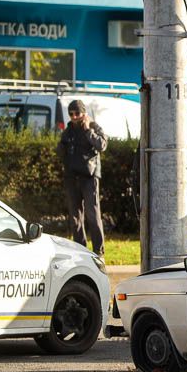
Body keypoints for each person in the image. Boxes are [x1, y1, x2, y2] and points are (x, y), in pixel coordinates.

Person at [57, 99, 108, 256]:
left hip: (89, 177)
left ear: (84, 113)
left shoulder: (93, 126)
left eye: (77, 113)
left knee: (93, 214)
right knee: (75, 217)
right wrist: (61, 145)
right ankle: (81, 250)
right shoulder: (69, 130)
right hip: (72, 177)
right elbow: (61, 151)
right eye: (71, 114)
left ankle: (98, 252)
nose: (74, 117)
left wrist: (88, 131)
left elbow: (102, 145)